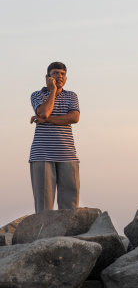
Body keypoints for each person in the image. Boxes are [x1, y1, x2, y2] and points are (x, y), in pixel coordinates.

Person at [29, 62, 80, 213]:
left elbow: (74, 117)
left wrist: (48, 120)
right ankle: (45, 236)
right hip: (42, 154)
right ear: (48, 77)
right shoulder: (37, 95)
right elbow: (44, 112)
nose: (59, 76)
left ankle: (69, 236)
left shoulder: (71, 96)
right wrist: (52, 91)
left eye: (63, 74)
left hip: (67, 154)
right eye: (55, 73)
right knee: (44, 204)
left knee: (70, 203)